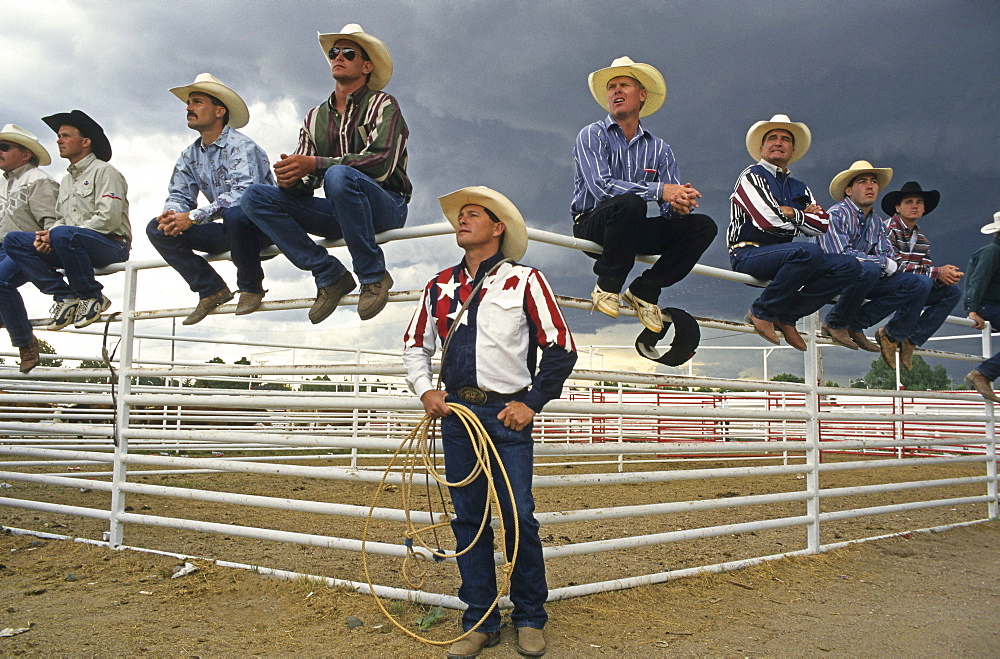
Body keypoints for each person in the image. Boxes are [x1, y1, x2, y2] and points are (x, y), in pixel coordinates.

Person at [402, 187, 576, 658]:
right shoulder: (438, 285)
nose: (461, 221)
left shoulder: (525, 281)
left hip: (507, 415)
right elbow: (416, 344)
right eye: (460, 216)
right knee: (469, 519)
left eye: (472, 215)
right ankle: (479, 619)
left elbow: (561, 348)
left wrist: (533, 403)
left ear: (497, 227)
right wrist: (426, 390)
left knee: (519, 516)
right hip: (457, 414)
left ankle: (530, 616)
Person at [241, 23, 410, 324]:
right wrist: (292, 178)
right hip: (339, 209)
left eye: (348, 53)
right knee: (254, 196)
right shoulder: (314, 117)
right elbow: (308, 183)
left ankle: (373, 276)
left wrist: (315, 165)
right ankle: (328, 273)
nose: (338, 57)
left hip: (387, 206)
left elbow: (381, 165)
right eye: (334, 52)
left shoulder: (384, 104)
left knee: (338, 176)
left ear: (366, 66)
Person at [571, 56, 716, 333]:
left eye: (624, 85)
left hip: (630, 227)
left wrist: (677, 206)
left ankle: (645, 291)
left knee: (703, 226)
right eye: (611, 86)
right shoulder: (592, 134)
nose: (616, 91)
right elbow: (601, 187)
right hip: (592, 224)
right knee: (631, 203)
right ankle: (608, 285)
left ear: (642, 95)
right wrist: (661, 190)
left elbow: (665, 204)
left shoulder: (660, 149)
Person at [147, 73, 275, 325]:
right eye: (189, 103)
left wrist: (193, 217)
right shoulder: (189, 155)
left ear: (219, 111)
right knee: (157, 228)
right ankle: (211, 288)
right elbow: (179, 194)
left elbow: (243, 194)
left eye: (196, 102)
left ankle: (251, 287)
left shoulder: (242, 147)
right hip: (229, 228)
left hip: (262, 228)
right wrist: (172, 215)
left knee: (236, 213)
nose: (188, 107)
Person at [728, 114, 859, 351]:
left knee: (849, 266)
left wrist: (791, 213)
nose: (778, 142)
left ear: (792, 150)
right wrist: (802, 217)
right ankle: (761, 311)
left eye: (785, 139)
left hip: (787, 256)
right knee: (808, 252)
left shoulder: (800, 187)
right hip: (747, 252)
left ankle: (786, 315)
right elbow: (767, 221)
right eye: (772, 138)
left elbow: (821, 226)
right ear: (761, 147)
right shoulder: (751, 176)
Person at [4, 110, 130, 332]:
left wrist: (58, 234)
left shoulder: (105, 172)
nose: (58, 140)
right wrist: (48, 236)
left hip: (111, 245)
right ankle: (65, 296)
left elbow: (108, 218)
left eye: (65, 135)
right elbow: (61, 219)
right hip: (73, 245)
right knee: (15, 240)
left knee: (62, 233)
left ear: (86, 142)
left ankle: (92, 295)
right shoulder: (67, 179)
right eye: (59, 136)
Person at [815, 160, 927, 364]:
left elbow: (890, 256)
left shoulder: (876, 221)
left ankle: (855, 324)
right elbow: (840, 255)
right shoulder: (835, 215)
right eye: (862, 182)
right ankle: (834, 322)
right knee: (868, 268)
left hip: (865, 279)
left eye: (874, 181)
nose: (870, 186)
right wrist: (881, 263)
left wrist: (882, 263)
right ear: (848, 190)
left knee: (919, 283)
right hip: (834, 278)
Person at [881, 181, 963, 369]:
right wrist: (937, 272)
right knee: (922, 281)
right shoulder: (888, 229)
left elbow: (925, 268)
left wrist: (945, 277)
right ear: (898, 207)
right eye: (909, 201)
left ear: (924, 208)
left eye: (919, 202)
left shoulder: (922, 240)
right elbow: (894, 266)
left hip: (911, 286)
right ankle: (891, 334)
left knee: (953, 292)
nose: (914, 205)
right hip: (884, 283)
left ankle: (911, 339)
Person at [0, 124, 59, 372]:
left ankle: (25, 342)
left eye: (4, 147)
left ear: (26, 154)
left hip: (29, 244)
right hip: (5, 245)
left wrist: (46, 241)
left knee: (0, 281)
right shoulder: (5, 183)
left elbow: (52, 221)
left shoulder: (39, 180)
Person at [964, 211, 1000, 403]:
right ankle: (982, 374)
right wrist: (972, 310)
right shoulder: (992, 252)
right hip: (988, 306)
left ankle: (984, 373)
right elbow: (978, 281)